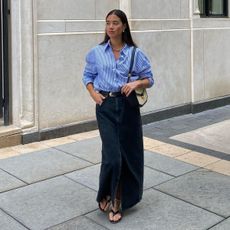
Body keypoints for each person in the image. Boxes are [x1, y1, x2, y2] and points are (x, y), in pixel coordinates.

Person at [83, 9, 154, 223]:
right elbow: (87, 76)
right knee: (113, 156)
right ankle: (106, 193)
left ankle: (116, 200)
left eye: (115, 23)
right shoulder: (96, 52)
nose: (111, 27)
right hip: (105, 106)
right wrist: (94, 94)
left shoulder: (134, 53)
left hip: (128, 108)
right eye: (108, 23)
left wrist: (135, 83)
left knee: (127, 155)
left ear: (124, 26)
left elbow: (149, 78)